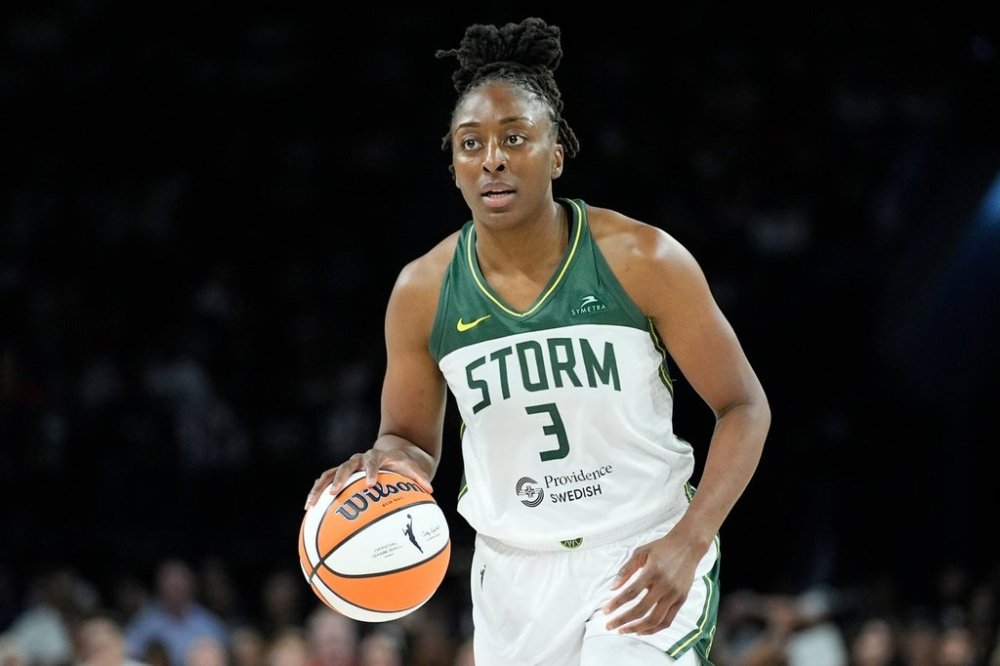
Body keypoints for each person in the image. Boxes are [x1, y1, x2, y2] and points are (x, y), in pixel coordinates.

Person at [304, 16, 770, 666]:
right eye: (470, 143)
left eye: (514, 137)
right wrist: (384, 466)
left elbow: (744, 406)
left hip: (639, 548)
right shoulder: (422, 292)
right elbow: (408, 441)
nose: (491, 158)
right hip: (513, 576)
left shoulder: (643, 259)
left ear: (556, 153)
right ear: (454, 167)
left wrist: (690, 540)